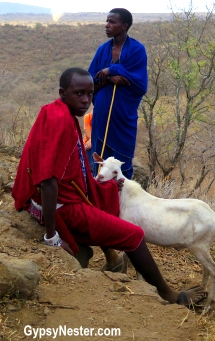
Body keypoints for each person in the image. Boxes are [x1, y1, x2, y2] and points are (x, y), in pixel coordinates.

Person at [12, 68, 204, 306]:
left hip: (70, 192)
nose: (85, 100)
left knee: (108, 192)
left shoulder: (58, 112)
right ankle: (168, 293)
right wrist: (51, 236)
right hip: (63, 206)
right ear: (63, 93)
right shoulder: (60, 121)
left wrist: (101, 184)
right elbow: (48, 181)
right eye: (79, 93)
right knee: (134, 234)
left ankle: (112, 259)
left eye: (90, 94)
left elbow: (66, 171)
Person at [88, 8, 147, 179]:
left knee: (122, 163)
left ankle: (121, 200)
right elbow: (90, 82)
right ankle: (99, 199)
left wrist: (112, 69)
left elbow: (139, 84)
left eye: (112, 22)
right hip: (102, 114)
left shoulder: (137, 50)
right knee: (100, 162)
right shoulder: (102, 50)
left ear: (124, 26)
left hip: (123, 116)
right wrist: (109, 78)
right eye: (107, 21)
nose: (106, 25)